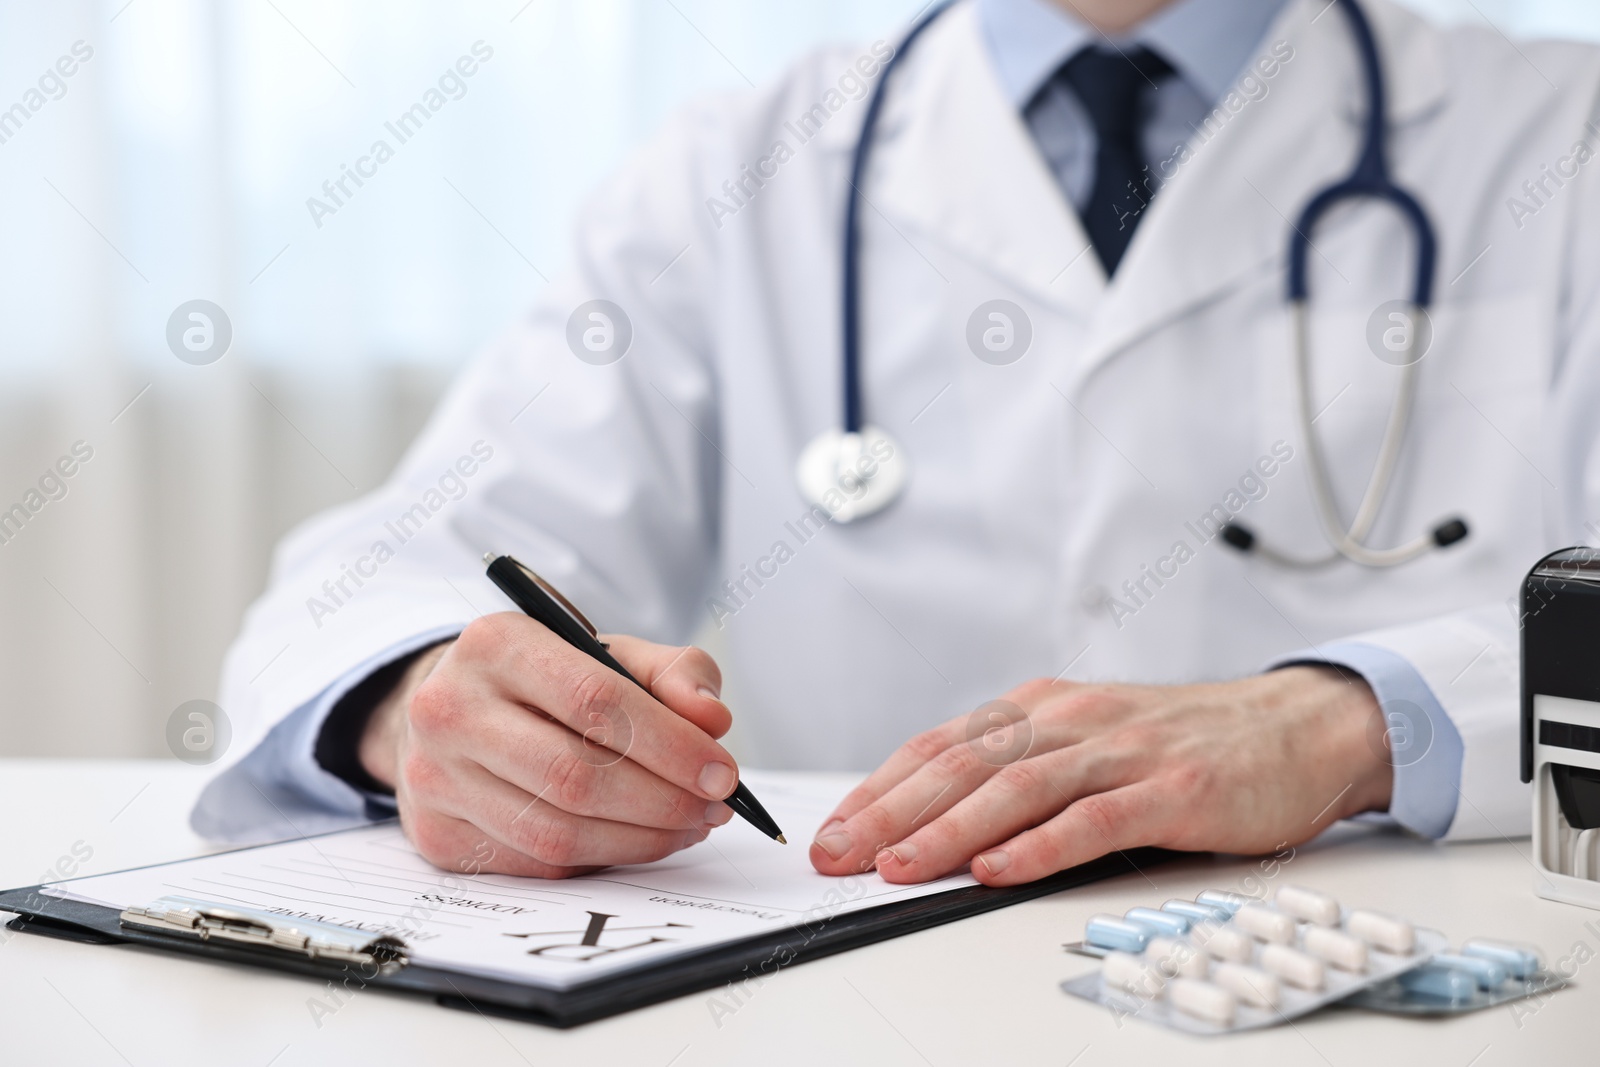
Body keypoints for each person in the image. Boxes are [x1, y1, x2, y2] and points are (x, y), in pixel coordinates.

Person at [198, 0, 1600, 886]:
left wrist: (1354, 722)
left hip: (1383, 981)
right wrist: (419, 698)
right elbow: (399, 560)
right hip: (856, 984)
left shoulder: (1562, 133)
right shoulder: (732, 171)